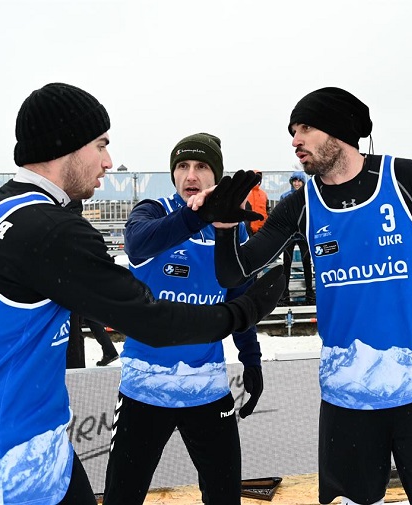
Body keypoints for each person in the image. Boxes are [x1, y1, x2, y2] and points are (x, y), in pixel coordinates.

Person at [0, 83, 283, 505]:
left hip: (22, 444)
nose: (109, 161)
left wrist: (249, 350)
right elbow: (152, 319)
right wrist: (244, 312)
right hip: (9, 465)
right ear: (66, 146)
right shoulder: (50, 229)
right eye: (101, 145)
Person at [192, 86, 412, 505]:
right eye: (291, 131)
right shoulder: (300, 204)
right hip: (346, 397)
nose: (294, 140)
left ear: (338, 131)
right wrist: (224, 230)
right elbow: (234, 271)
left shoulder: (403, 177)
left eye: (305, 128)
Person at [103, 133, 263, 505]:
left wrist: (251, 361)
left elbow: (239, 301)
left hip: (207, 390)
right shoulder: (153, 210)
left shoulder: (231, 227)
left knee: (224, 498)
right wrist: (197, 216)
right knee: (121, 497)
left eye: (202, 166)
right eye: (182, 166)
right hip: (144, 390)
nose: (191, 174)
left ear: (216, 176)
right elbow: (138, 243)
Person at [63, 199, 119, 369]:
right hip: (83, 282)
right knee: (84, 320)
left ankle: (76, 367)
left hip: (71, 283)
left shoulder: (66, 225)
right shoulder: (83, 225)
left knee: (74, 329)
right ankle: (107, 350)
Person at [279, 171, 314, 305]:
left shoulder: (309, 196)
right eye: (294, 181)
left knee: (307, 262)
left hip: (303, 234)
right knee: (286, 264)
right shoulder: (285, 196)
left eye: (299, 181)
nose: (297, 183)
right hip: (289, 235)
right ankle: (284, 293)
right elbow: (281, 215)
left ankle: (310, 292)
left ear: (303, 182)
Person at [245, 170, 270, 236]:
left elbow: (267, 209)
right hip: (248, 229)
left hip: (262, 229)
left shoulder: (263, 194)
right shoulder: (245, 193)